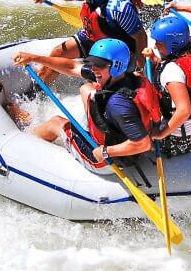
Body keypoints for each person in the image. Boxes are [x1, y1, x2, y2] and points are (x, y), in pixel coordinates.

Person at [13, 39, 161, 175]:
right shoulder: (128, 75)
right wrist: (34, 58)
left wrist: (105, 151)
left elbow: (143, 144)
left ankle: (29, 137)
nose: (94, 68)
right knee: (86, 89)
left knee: (56, 122)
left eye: (99, 65)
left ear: (115, 66)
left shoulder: (118, 105)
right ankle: (96, 127)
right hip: (119, 133)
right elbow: (71, 67)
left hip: (109, 160)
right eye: (92, 63)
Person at [35, 0, 147, 83]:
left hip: (116, 48)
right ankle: (38, 90)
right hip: (94, 36)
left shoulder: (119, 6)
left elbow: (140, 36)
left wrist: (140, 67)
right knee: (58, 53)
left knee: (98, 79)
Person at [143, 16, 191, 156]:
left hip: (180, 140)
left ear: (172, 43)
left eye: (159, 43)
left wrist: (160, 134)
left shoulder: (172, 71)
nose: (155, 46)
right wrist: (154, 59)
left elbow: (184, 111)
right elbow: (178, 71)